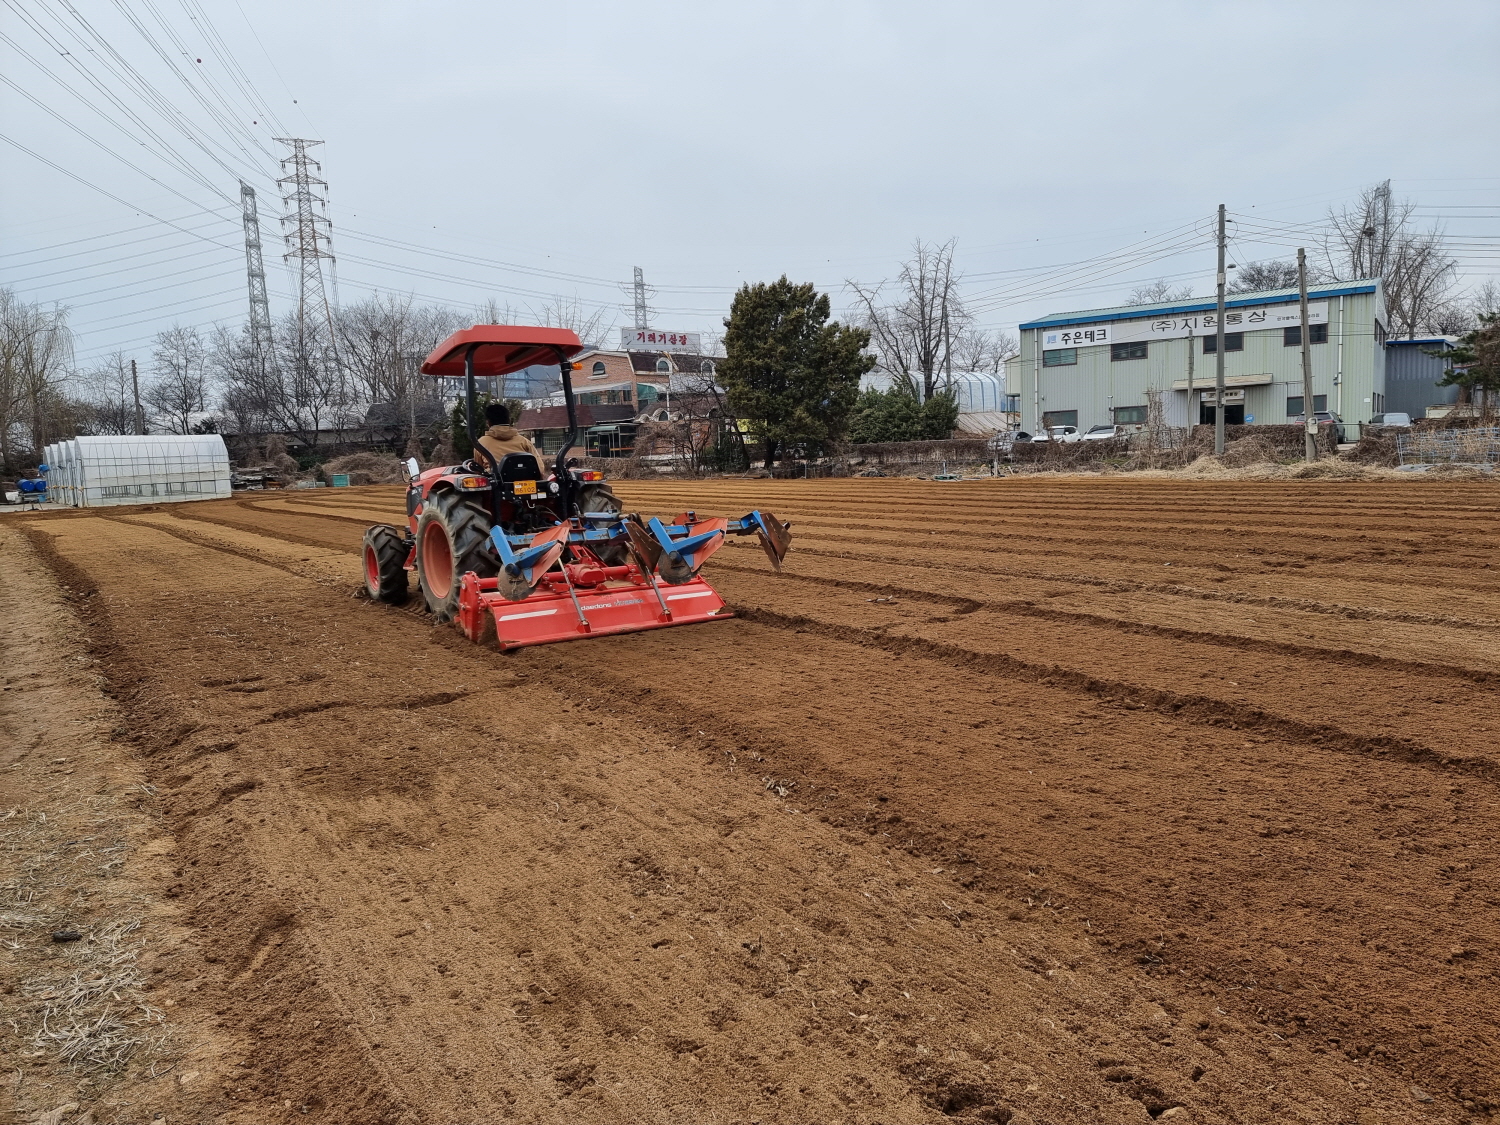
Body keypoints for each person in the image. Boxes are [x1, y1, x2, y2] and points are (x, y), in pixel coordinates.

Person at [475, 402, 541, 468]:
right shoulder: (524, 442)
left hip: (494, 478)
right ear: (509, 421)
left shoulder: (480, 443)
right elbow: (539, 467)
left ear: (488, 422)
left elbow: (478, 469)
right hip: (525, 477)